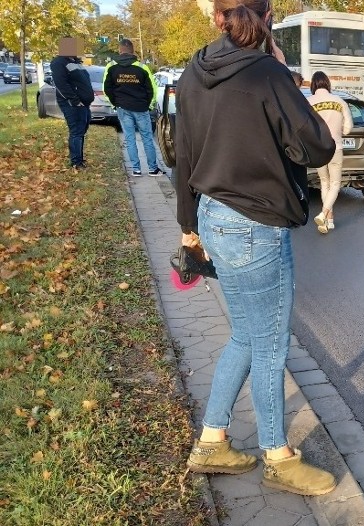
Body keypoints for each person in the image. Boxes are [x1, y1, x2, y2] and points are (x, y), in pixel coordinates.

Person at [175, 0, 338, 496]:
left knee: (246, 337)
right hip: (255, 223)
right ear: (266, 18)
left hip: (213, 217)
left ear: (215, 17)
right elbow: (318, 147)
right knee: (269, 344)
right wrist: (288, 84)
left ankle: (211, 441)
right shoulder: (268, 73)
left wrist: (188, 228)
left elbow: (183, 154)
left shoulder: (192, 71)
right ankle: (277, 455)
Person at [104, 39, 163, 176]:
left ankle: (136, 169)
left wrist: (115, 102)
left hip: (122, 108)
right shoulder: (142, 68)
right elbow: (151, 90)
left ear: (120, 51)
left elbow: (107, 88)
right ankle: (153, 169)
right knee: (147, 138)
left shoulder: (112, 68)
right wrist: (148, 104)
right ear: (132, 50)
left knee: (129, 138)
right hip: (141, 107)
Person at [306, 71, 353, 234]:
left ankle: (329, 220)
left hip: (318, 149)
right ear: (327, 83)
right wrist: (340, 131)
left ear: (313, 84)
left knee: (324, 182)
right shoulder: (339, 102)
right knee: (335, 184)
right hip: (336, 148)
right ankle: (324, 212)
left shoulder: (308, 102)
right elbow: (348, 128)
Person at [50, 37, 94, 170]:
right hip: (73, 104)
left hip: (84, 104)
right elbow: (61, 84)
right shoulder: (59, 63)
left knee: (82, 130)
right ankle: (76, 162)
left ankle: (79, 158)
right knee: (76, 132)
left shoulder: (75, 62)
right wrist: (75, 101)